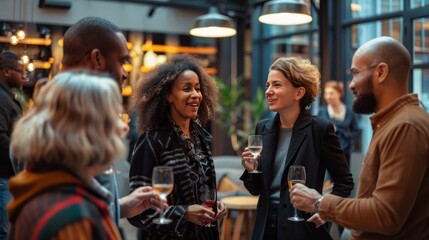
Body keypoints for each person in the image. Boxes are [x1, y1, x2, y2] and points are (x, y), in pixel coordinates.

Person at [290, 36, 429, 240]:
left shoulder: (405, 126)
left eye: (355, 74)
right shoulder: (392, 122)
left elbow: (385, 215)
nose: (351, 85)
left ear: (381, 72)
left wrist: (320, 202)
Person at [7, 71, 160, 239]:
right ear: (83, 131)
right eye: (111, 116)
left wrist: (122, 207)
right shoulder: (71, 218)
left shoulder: (49, 188)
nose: (123, 127)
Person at [240, 56, 354, 240]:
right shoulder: (263, 128)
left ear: (299, 93)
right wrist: (252, 170)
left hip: (302, 226)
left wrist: (324, 209)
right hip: (265, 226)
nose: (268, 91)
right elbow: (256, 190)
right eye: (268, 85)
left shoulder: (319, 129)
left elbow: (344, 182)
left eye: (276, 85)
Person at [60, 16, 155, 222]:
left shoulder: (74, 114)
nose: (124, 74)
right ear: (97, 59)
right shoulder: (69, 123)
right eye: (121, 61)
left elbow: (85, 206)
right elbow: (71, 221)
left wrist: (122, 206)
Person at [128, 54, 227, 239]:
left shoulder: (201, 138)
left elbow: (201, 191)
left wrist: (213, 206)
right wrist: (183, 213)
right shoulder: (152, 141)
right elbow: (137, 213)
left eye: (198, 89)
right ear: (168, 95)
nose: (196, 95)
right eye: (186, 88)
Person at [0, 51, 26, 240]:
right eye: (20, 71)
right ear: (7, 72)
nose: (24, 76)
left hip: (7, 175)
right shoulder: (2, 98)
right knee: (5, 232)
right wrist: (21, 153)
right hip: (3, 175)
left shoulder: (7, 97)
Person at [318, 80, 359, 166]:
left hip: (345, 153)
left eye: (331, 93)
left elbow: (355, 130)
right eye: (326, 93)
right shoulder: (321, 112)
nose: (328, 96)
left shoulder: (349, 112)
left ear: (339, 93)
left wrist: (350, 141)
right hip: (326, 153)